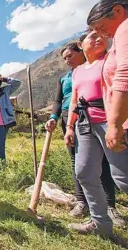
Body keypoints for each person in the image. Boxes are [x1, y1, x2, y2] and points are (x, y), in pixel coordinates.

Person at [45, 42, 124, 225]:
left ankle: (110, 205)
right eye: (64, 58)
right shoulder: (65, 78)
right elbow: (59, 100)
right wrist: (54, 117)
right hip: (71, 119)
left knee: (104, 162)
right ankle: (82, 201)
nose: (67, 61)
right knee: (78, 162)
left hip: (100, 116)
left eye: (70, 56)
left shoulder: (100, 67)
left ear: (82, 52)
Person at [64, 29, 128, 236]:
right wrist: (69, 126)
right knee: (84, 173)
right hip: (85, 124)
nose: (100, 38)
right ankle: (100, 224)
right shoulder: (78, 71)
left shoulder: (111, 60)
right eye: (92, 37)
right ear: (81, 45)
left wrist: (117, 124)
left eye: (101, 35)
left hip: (110, 122)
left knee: (122, 176)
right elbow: (75, 99)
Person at [87, 0, 128, 152]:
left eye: (101, 27)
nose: (103, 34)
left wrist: (115, 124)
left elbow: (125, 73)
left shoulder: (124, 27)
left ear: (118, 11)